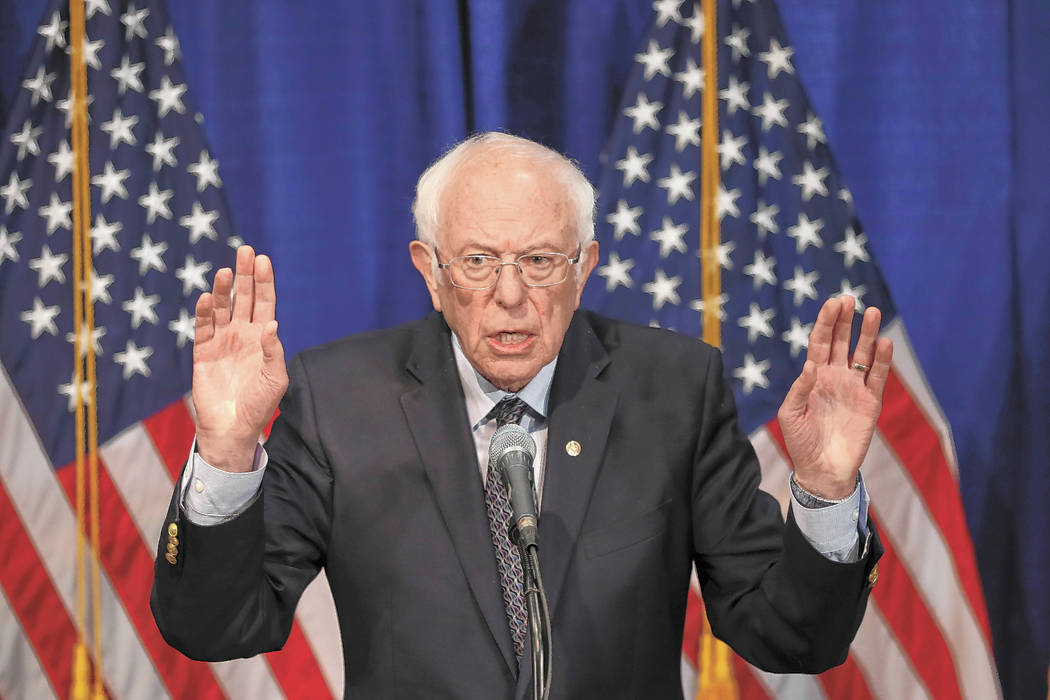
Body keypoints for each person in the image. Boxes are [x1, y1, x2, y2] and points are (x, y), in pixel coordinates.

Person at [152, 132, 889, 699]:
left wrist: (824, 487)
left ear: (586, 265)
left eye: (539, 261)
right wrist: (223, 451)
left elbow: (794, 636)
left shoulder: (670, 390)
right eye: (476, 261)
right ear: (430, 272)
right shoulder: (341, 399)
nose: (510, 294)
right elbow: (215, 627)